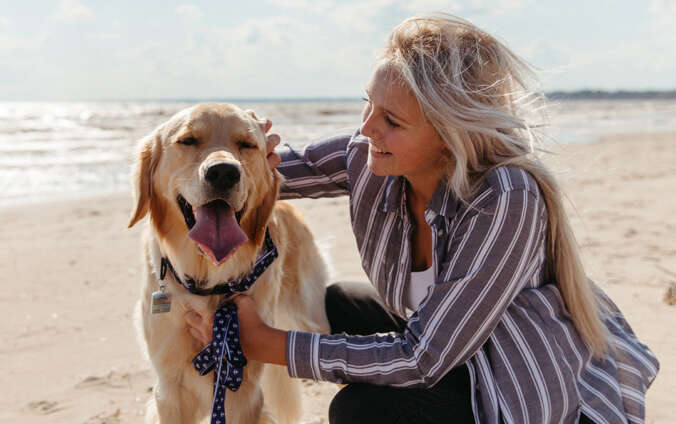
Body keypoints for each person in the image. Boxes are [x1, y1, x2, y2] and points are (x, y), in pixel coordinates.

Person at [186, 13, 658, 424]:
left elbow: (424, 358)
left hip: (520, 390)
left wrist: (269, 344)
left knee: (362, 411)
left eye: (392, 119)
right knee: (339, 303)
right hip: (453, 348)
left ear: (450, 134)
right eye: (367, 103)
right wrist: (229, 148)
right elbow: (262, 175)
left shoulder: (504, 198)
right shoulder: (373, 156)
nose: (368, 128)